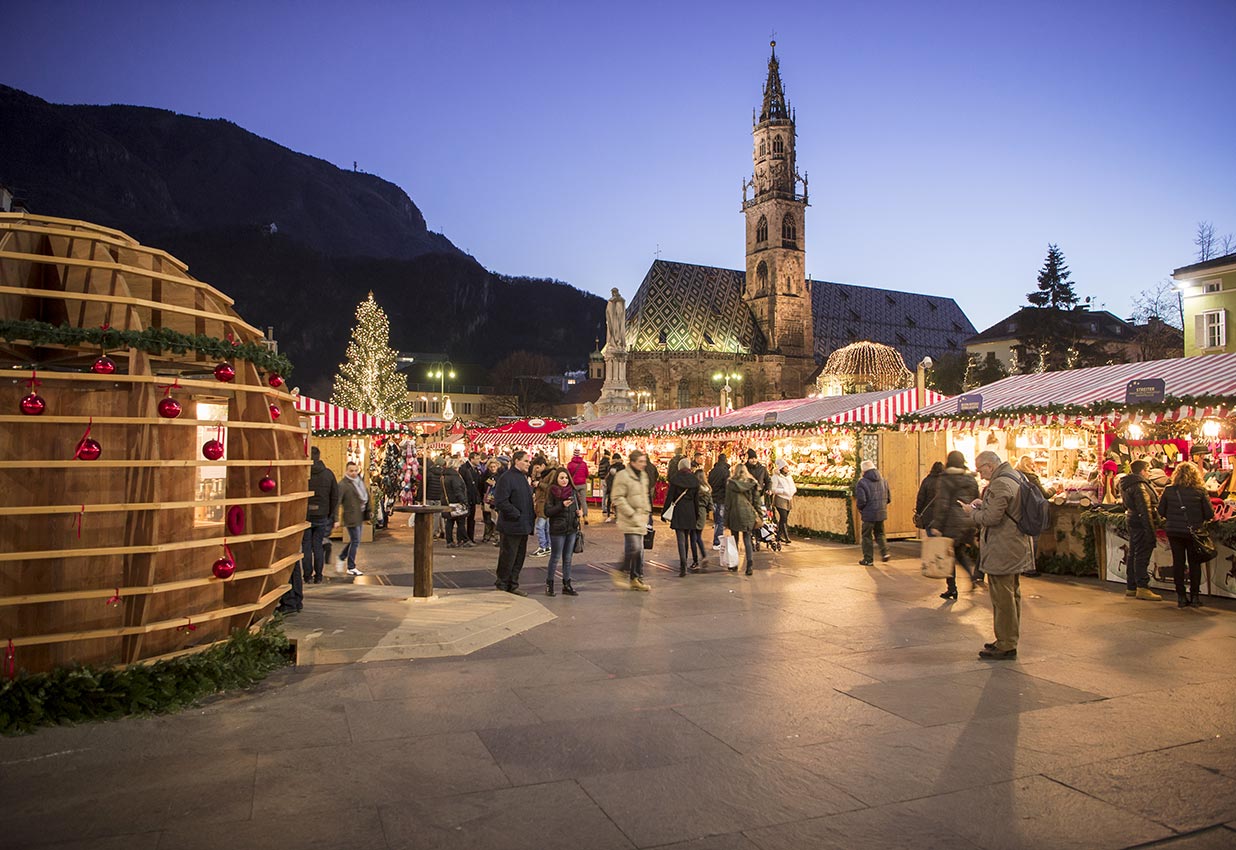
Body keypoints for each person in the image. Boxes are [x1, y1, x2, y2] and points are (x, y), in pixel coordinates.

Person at [963, 451, 1035, 660]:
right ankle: (1006, 638)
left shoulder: (1000, 483)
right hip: (1014, 545)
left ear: (990, 465)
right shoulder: (1015, 476)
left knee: (1003, 597)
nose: (979, 473)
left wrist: (971, 512)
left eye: (980, 469)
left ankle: (1006, 644)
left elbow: (991, 518)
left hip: (1003, 547)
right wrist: (982, 503)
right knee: (1011, 594)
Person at [1157, 460, 1215, 608]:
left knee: (1178, 563)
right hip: (1193, 532)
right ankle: (1195, 596)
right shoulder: (1200, 491)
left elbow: (1161, 511)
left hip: (1174, 531)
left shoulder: (1169, 490)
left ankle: (1181, 597)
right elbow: (1209, 514)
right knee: (1194, 563)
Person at [929, 452, 981, 600]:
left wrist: (937, 525)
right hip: (968, 520)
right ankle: (972, 577)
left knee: (948, 555)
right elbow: (977, 500)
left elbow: (942, 503)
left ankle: (952, 588)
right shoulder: (970, 479)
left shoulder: (946, 479)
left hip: (951, 522)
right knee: (959, 552)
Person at [492, 450, 534, 595]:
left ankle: (513, 584)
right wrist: (516, 514)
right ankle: (502, 583)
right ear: (516, 461)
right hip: (511, 525)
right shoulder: (507, 478)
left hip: (523, 525)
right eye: (526, 461)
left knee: (519, 557)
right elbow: (501, 501)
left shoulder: (522, 477)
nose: (529, 464)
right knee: (508, 556)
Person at [610, 449, 653, 591]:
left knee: (639, 550)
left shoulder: (644, 476)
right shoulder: (623, 476)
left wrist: (647, 512)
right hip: (629, 518)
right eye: (641, 461)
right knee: (634, 547)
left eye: (644, 461)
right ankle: (621, 572)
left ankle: (636, 578)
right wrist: (631, 512)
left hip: (641, 517)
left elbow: (644, 495)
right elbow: (617, 497)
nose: (644, 464)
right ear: (633, 462)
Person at [1121, 460, 1162, 601]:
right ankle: (1142, 587)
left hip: (1133, 520)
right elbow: (1145, 509)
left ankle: (1131, 586)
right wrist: (1150, 530)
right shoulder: (1140, 486)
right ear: (1142, 471)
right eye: (1148, 469)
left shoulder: (1127, 483)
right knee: (1142, 555)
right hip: (1141, 523)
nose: (1149, 472)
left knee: (1133, 553)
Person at [303, 446, 339, 584]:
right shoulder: (328, 474)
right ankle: (318, 576)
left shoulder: (303, 473)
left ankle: (307, 576)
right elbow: (334, 496)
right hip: (322, 514)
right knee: (318, 545)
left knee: (306, 546)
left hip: (305, 514)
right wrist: (329, 513)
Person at [544, 468, 581, 596]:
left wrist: (579, 512)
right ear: (556, 479)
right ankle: (550, 584)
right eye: (561, 478)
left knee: (568, 558)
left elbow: (578, 506)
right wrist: (561, 505)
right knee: (555, 557)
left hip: (571, 529)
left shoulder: (573, 491)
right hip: (557, 530)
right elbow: (547, 512)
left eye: (566, 477)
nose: (564, 480)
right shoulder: (552, 492)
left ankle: (567, 584)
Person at [662, 457, 701, 577]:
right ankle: (686, 560)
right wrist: (697, 513)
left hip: (678, 509)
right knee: (687, 535)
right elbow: (696, 500)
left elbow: (670, 497)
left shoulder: (675, 479)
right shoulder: (694, 480)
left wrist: (664, 512)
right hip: (690, 511)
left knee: (680, 537)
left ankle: (683, 563)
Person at [725, 462, 762, 575]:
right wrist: (760, 515)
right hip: (748, 514)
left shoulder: (730, 484)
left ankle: (734, 564)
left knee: (735, 539)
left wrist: (725, 519)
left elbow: (727, 503)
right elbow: (757, 502)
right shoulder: (752, 484)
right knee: (747, 539)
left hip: (734, 513)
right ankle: (749, 565)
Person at [855, 459, 890, 566]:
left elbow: (861, 500)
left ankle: (868, 559)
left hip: (868, 514)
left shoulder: (862, 482)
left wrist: (861, 509)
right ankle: (885, 553)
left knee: (866, 536)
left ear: (863, 471)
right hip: (881, 512)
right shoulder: (883, 481)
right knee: (880, 533)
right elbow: (888, 498)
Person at [339, 461, 368, 577]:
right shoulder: (343, 484)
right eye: (351, 471)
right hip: (350, 516)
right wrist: (335, 518)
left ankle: (341, 557)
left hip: (359, 515)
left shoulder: (359, 482)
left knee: (355, 540)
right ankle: (351, 567)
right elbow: (337, 501)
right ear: (346, 471)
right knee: (355, 540)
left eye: (355, 470)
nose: (354, 473)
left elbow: (365, 497)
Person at [744, 449, 771, 550]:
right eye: (751, 458)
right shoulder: (745, 468)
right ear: (748, 459)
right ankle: (751, 537)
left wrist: (768, 489)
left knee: (759, 517)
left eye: (755, 458)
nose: (754, 460)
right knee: (750, 518)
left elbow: (768, 480)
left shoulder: (762, 469)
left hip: (759, 497)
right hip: (747, 497)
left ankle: (759, 535)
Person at [443, 459, 470, 549]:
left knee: (449, 522)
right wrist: (464, 501)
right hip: (456, 503)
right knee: (461, 522)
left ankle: (449, 541)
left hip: (447, 502)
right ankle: (462, 540)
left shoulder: (443, 476)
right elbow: (458, 491)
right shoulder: (455, 477)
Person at [769, 461, 797, 544]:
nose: (787, 469)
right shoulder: (776, 477)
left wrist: (792, 491)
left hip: (789, 498)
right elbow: (773, 489)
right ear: (781, 468)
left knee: (784, 518)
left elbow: (792, 486)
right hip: (780, 499)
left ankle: (778, 535)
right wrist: (783, 491)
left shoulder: (789, 477)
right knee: (783, 517)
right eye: (785, 467)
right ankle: (786, 536)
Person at [460, 451, 483, 543]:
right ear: (471, 459)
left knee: (471, 518)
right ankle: (464, 538)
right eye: (477, 459)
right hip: (466, 497)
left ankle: (470, 537)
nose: (479, 461)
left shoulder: (476, 469)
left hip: (472, 497)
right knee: (463, 518)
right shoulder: (464, 469)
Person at [708, 452, 731, 548]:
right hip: (721, 499)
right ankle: (717, 541)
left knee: (717, 520)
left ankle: (717, 539)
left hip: (713, 497)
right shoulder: (726, 472)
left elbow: (709, 483)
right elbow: (726, 486)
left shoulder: (712, 471)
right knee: (720, 521)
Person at [530, 456, 550, 557]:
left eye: (537, 467)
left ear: (543, 465)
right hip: (541, 503)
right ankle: (547, 546)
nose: (536, 470)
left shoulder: (551, 473)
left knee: (540, 526)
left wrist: (539, 484)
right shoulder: (542, 474)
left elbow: (552, 488)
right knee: (546, 526)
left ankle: (543, 547)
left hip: (545, 503)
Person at [915, 461, 944, 529]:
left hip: (928, 515)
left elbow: (920, 498)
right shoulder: (945, 482)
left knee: (930, 535)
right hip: (942, 515)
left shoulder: (927, 481)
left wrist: (918, 511)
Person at [693, 468, 712, 569]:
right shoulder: (708, 489)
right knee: (698, 536)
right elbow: (710, 505)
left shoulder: (695, 488)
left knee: (694, 537)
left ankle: (699, 558)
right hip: (703, 513)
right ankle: (703, 556)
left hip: (695, 512)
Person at [481, 458, 502, 543]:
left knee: (495, 518)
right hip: (486, 499)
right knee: (487, 518)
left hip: (495, 499)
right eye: (491, 467)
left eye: (494, 467)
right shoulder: (485, 476)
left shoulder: (500, 477)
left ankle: (497, 536)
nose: (493, 468)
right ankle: (487, 535)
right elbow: (481, 486)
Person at [567, 449, 590, 524]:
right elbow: (587, 474)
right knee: (583, 501)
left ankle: (576, 516)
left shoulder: (570, 464)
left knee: (575, 501)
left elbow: (568, 475)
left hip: (574, 485)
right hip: (582, 484)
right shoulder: (584, 464)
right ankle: (585, 515)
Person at [604, 454, 625, 522]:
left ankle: (608, 516)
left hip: (611, 486)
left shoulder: (611, 467)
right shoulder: (623, 467)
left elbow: (607, 477)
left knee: (609, 501)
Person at [597, 450, 612, 517]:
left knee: (604, 494)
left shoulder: (601, 462)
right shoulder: (607, 462)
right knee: (608, 494)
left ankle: (603, 507)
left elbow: (599, 472)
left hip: (602, 479)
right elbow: (609, 471)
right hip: (606, 480)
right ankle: (607, 508)